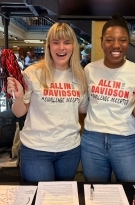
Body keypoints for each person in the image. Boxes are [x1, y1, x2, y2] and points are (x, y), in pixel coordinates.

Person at [6, 22, 88, 182]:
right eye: (56, 42)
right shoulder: (33, 73)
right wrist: (18, 96)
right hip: (36, 149)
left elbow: (83, 110)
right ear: (49, 46)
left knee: (63, 198)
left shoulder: (80, 76)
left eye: (66, 42)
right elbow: (19, 112)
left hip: (69, 149)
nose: (61, 48)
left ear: (73, 46)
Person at [81, 14, 135, 182]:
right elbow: (83, 106)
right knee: (96, 195)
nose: (116, 45)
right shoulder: (89, 69)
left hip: (125, 141)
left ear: (129, 42)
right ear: (102, 42)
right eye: (110, 40)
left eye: (122, 40)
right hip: (92, 141)